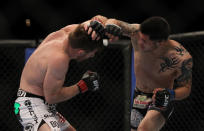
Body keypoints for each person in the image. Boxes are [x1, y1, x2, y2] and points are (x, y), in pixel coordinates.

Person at [92, 16, 193, 131]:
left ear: (159, 43)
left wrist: (170, 94)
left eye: (145, 41)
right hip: (139, 96)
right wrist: (111, 25)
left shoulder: (181, 57)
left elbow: (186, 89)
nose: (140, 42)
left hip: (160, 100)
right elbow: (114, 21)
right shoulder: (137, 32)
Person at [14, 15, 109, 131]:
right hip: (30, 104)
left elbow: (98, 19)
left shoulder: (68, 31)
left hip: (44, 105)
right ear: (80, 52)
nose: (92, 56)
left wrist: (98, 25)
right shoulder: (59, 59)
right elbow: (52, 97)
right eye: (92, 53)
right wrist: (82, 86)